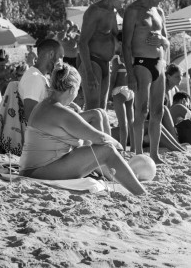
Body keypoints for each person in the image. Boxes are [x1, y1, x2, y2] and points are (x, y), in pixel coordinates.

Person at [18, 63, 145, 195]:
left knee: (104, 146)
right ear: (72, 90)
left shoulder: (46, 104)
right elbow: (99, 138)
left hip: (35, 168)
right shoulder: (61, 112)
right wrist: (119, 148)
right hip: (38, 172)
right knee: (107, 150)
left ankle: (114, 173)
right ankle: (141, 194)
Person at [123, 0, 171, 163]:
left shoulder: (159, 11)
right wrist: (130, 73)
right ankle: (137, 154)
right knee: (141, 110)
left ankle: (154, 154)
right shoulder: (133, 11)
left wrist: (162, 41)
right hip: (141, 63)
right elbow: (126, 45)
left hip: (159, 64)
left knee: (158, 111)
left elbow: (167, 41)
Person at [19, 39, 111, 134]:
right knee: (96, 115)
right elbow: (30, 116)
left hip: (54, 123)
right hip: (48, 131)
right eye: (61, 57)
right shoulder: (34, 78)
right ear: (51, 55)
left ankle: (111, 147)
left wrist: (67, 107)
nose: (62, 62)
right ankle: (106, 147)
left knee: (101, 113)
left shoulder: (40, 77)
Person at [78, 0, 132, 110]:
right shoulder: (95, 11)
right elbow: (82, 42)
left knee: (101, 109)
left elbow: (115, 36)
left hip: (105, 62)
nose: (125, 2)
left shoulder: (113, 12)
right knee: (92, 107)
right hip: (92, 61)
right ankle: (85, 131)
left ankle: (97, 132)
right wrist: (88, 72)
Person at [110, 35, 134, 149]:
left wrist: (109, 91)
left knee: (122, 124)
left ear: (120, 43)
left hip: (119, 90)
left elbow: (114, 77)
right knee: (131, 121)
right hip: (130, 90)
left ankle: (123, 147)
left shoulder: (116, 59)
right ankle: (134, 147)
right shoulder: (131, 58)